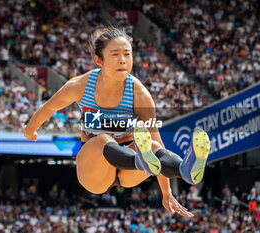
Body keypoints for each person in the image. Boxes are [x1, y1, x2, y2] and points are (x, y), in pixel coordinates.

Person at [23, 27, 210, 217]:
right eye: (115, 54)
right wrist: (30, 130)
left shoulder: (139, 94)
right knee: (104, 139)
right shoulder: (80, 86)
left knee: (152, 146)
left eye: (127, 54)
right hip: (95, 170)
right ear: (98, 60)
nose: (122, 59)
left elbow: (158, 143)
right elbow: (49, 107)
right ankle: (140, 161)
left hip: (129, 169)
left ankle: (184, 169)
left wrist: (167, 192)